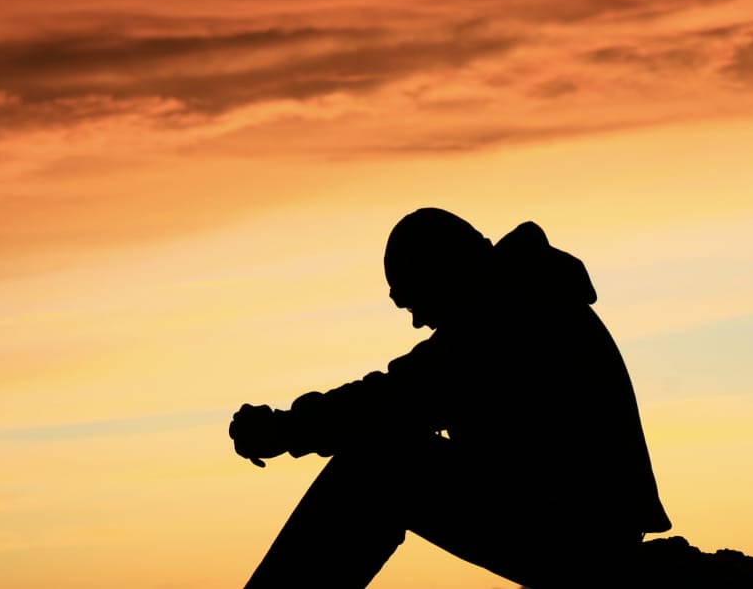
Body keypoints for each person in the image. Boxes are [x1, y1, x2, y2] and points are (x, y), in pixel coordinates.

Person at [228, 208, 672, 588]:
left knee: (377, 462)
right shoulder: (520, 298)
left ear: (444, 273)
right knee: (382, 452)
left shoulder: (509, 313)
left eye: (415, 301)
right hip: (575, 520)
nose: (419, 322)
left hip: (578, 535)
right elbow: (406, 398)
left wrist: (284, 429)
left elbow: (394, 400)